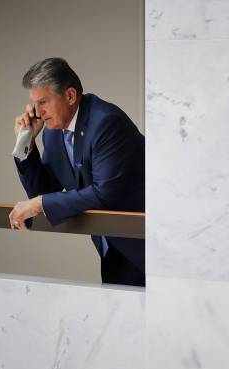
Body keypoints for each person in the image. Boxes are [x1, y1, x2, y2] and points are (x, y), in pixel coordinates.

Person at [8, 57, 145, 286]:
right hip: (109, 246)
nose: (38, 113)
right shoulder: (53, 131)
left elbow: (104, 194)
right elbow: (43, 190)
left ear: (70, 96)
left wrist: (40, 204)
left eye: (44, 102)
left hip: (142, 247)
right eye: (34, 104)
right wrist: (26, 142)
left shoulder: (106, 123)